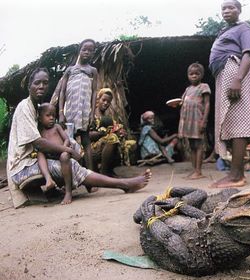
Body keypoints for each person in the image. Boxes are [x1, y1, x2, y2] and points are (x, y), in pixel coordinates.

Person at [7, 68, 151, 208]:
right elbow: (39, 144)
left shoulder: (37, 107)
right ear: (29, 85)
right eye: (37, 83)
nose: (41, 86)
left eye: (45, 83)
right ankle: (124, 184)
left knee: (73, 147)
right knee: (71, 164)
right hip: (23, 168)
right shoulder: (24, 107)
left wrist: (68, 149)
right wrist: (66, 150)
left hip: (33, 161)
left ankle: (90, 182)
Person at [208, 0, 250, 188]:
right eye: (223, 8)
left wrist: (238, 78)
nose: (227, 11)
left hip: (234, 71)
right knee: (231, 122)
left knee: (239, 122)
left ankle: (237, 176)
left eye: (231, 7)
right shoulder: (225, 30)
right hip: (225, 73)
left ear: (239, 10)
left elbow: (248, 53)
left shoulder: (244, 28)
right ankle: (234, 173)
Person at [58, 39, 97, 172]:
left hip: (84, 111)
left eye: (90, 50)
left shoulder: (93, 71)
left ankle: (91, 175)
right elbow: (62, 92)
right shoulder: (70, 70)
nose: (87, 52)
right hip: (71, 112)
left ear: (93, 53)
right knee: (69, 141)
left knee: (86, 142)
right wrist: (61, 112)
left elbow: (94, 92)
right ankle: (73, 175)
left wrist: (92, 113)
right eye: (84, 49)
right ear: (79, 50)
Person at [37, 103, 81, 204]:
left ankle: (68, 192)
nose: (52, 118)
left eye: (53, 115)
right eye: (48, 115)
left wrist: (65, 148)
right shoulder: (39, 132)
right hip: (50, 156)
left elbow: (66, 139)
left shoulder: (57, 127)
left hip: (62, 153)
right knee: (40, 153)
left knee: (65, 156)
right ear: (40, 118)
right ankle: (49, 182)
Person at [90, 88, 136, 176]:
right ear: (98, 99)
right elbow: (88, 136)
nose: (106, 103)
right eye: (103, 100)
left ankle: (108, 170)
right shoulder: (92, 115)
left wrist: (121, 132)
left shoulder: (108, 118)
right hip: (91, 148)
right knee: (112, 138)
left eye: (108, 101)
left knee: (123, 142)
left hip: (105, 145)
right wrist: (104, 134)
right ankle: (104, 173)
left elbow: (115, 129)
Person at [178, 63, 211, 179]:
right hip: (188, 120)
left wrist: (204, 120)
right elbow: (182, 102)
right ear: (187, 75)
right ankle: (194, 170)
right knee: (192, 145)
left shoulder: (204, 86)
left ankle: (199, 171)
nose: (194, 76)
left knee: (199, 145)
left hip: (197, 119)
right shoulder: (187, 89)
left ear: (201, 75)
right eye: (191, 74)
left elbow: (207, 104)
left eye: (197, 73)